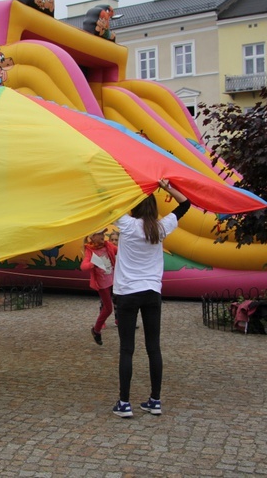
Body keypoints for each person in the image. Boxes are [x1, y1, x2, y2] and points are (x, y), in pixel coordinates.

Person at [112, 179, 190, 418]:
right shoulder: (161, 226)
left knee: (127, 349)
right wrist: (166, 187)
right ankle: (155, 400)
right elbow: (185, 205)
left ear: (135, 207)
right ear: (155, 209)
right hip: (151, 292)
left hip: (127, 292)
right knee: (153, 347)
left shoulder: (126, 224)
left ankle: (124, 403)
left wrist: (128, 188)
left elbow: (107, 203)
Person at [81, 228, 117, 345]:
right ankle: (96, 330)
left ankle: (122, 323)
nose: (102, 235)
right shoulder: (90, 251)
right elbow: (83, 266)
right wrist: (93, 264)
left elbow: (120, 251)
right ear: (93, 237)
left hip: (114, 280)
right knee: (108, 309)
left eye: (103, 233)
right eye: (99, 234)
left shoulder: (108, 246)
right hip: (102, 284)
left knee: (122, 300)